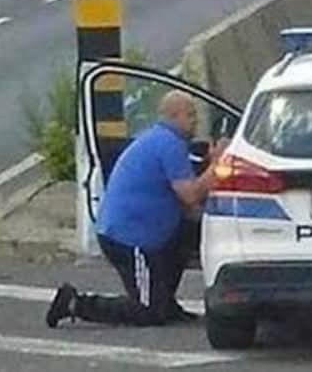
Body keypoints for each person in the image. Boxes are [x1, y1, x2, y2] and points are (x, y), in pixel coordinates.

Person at [45, 90, 229, 328]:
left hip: (150, 233)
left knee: (189, 231)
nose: (196, 121)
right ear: (173, 116)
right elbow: (191, 195)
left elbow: (187, 207)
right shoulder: (169, 144)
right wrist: (218, 164)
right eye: (190, 115)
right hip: (130, 240)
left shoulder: (163, 141)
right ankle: (75, 303)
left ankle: (164, 301)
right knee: (147, 312)